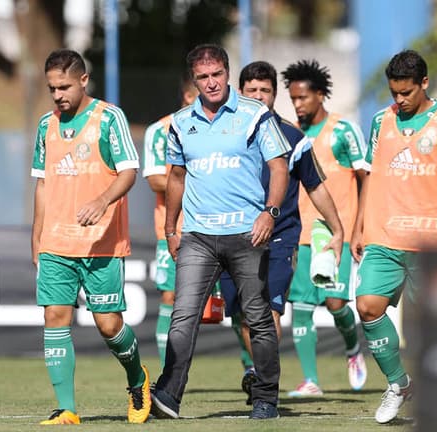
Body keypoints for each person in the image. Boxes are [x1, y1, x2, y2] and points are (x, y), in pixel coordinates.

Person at [149, 44, 290, 421]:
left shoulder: (255, 114)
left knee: (257, 318)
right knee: (183, 316)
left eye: (217, 75)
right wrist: (170, 228)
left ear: (228, 73)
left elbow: (279, 167)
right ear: (193, 81)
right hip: (197, 235)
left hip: (248, 234)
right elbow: (176, 177)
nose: (211, 83)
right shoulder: (180, 123)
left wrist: (270, 213)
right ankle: (168, 396)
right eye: (203, 77)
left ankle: (265, 399)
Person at [30, 49, 151, 425]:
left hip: (102, 242)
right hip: (56, 242)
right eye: (52, 88)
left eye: (64, 86)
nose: (57, 95)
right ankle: (67, 408)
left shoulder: (109, 118)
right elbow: (43, 184)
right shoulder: (45, 125)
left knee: (108, 325)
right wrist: (38, 236)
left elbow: (129, 171)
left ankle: (137, 378)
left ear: (84, 80)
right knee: (55, 317)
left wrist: (101, 201)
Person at [350, 49, 437, 424]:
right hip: (385, 236)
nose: (398, 100)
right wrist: (359, 226)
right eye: (393, 93)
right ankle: (399, 384)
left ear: (424, 84)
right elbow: (369, 176)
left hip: (431, 243)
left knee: (428, 328)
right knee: (367, 305)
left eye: (406, 93)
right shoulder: (379, 122)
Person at [218, 61, 345, 405]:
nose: (259, 97)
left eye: (266, 91)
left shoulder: (293, 137)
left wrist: (337, 228)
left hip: (279, 236)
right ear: (239, 92)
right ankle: (261, 373)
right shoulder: (222, 132)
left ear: (275, 95)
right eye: (252, 91)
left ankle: (265, 388)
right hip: (231, 236)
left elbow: (316, 186)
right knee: (245, 315)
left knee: (267, 312)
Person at [281, 59, 368, 397]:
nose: (298, 104)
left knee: (334, 302)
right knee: (301, 306)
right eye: (293, 99)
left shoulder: (343, 131)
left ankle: (351, 350)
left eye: (303, 97)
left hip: (336, 234)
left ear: (320, 95)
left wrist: (359, 228)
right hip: (300, 234)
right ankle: (310, 381)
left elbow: (366, 179)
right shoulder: (291, 134)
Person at [142, 77, 198, 368]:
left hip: (219, 226)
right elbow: (154, 180)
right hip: (174, 229)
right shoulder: (159, 131)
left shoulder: (223, 130)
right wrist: (203, 185)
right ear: (189, 96)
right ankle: (168, 372)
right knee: (170, 295)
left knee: (232, 303)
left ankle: (250, 369)